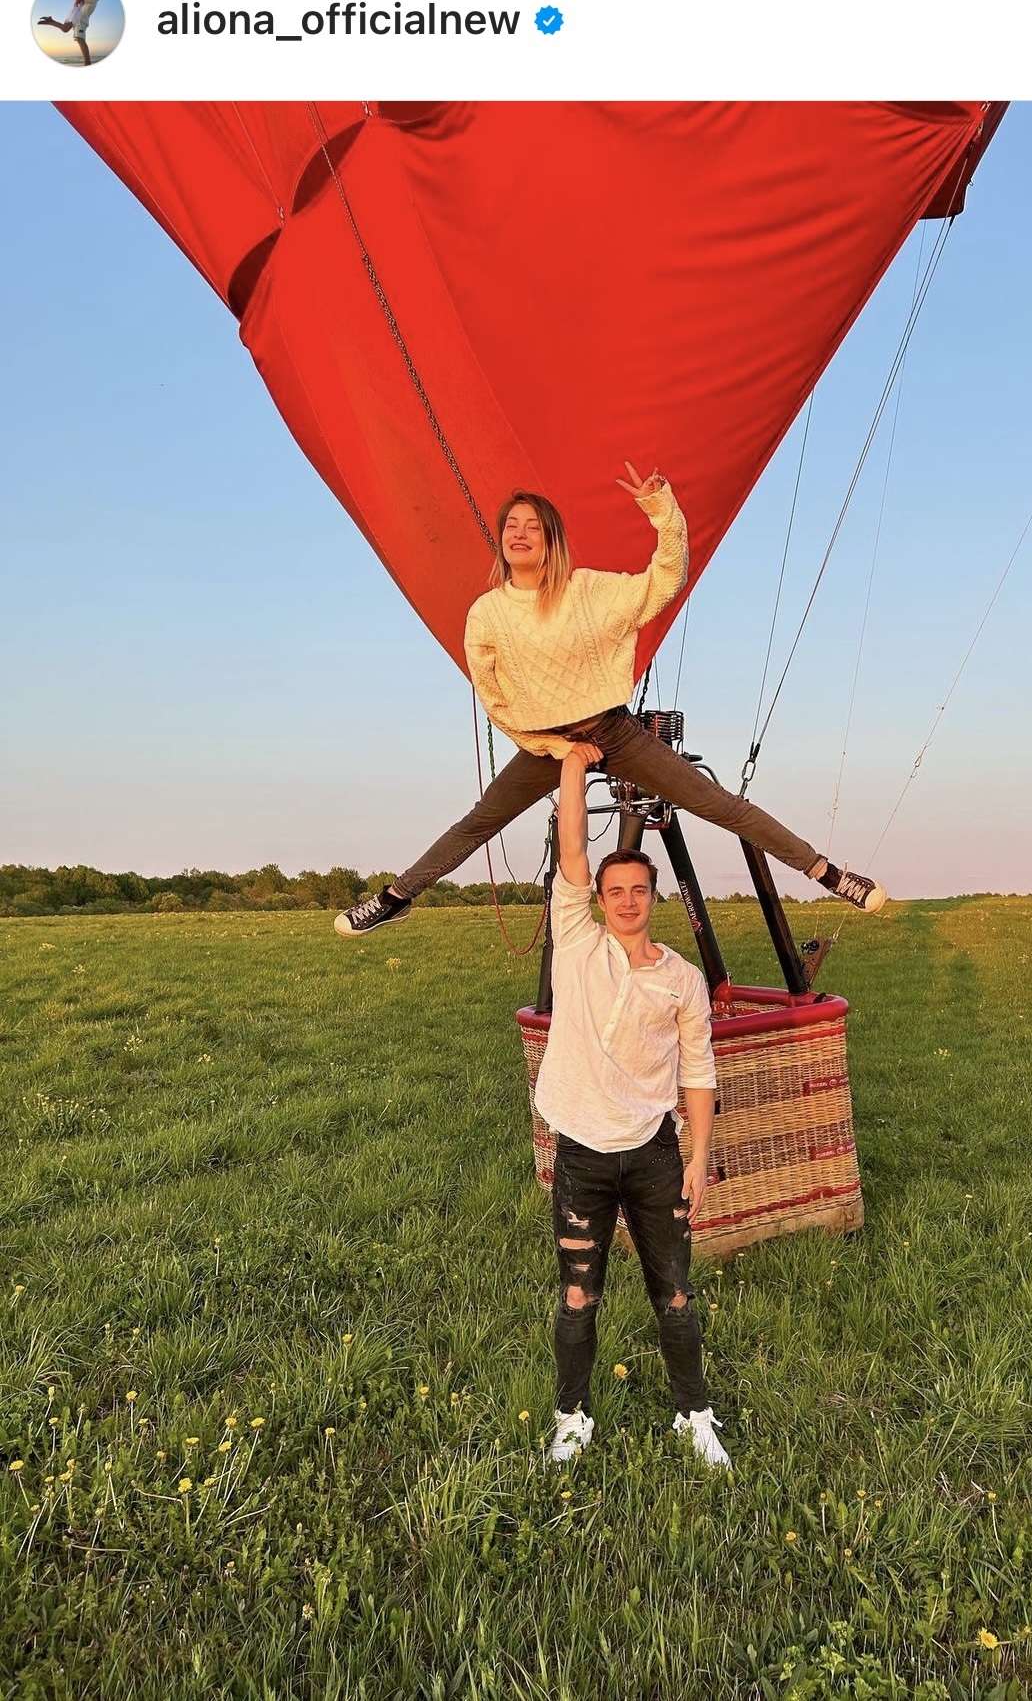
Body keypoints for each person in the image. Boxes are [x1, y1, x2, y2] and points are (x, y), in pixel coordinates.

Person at [336, 465, 887, 935]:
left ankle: (828, 874)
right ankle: (396, 897)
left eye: (533, 527)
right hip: (548, 745)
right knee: (479, 822)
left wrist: (662, 512)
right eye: (511, 526)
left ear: (551, 540)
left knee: (719, 804)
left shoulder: (588, 591)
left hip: (615, 732)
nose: (519, 534)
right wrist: (554, 748)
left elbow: (664, 582)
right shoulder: (488, 614)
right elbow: (494, 698)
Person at [537, 741, 730, 1467]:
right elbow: (571, 849)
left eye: (638, 891)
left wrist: (699, 1157)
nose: (625, 901)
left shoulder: (680, 979)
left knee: (674, 1294)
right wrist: (573, 762)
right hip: (582, 1152)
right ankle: (572, 1417)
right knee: (577, 1296)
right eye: (614, 890)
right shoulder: (576, 942)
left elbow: (699, 1072)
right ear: (598, 899)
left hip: (652, 1155)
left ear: (653, 898)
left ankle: (694, 1415)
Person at [37, 0, 100, 66]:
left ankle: (87, 64)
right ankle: (51, 21)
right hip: (78, 18)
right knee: (67, 30)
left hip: (81, 19)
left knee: (78, 38)